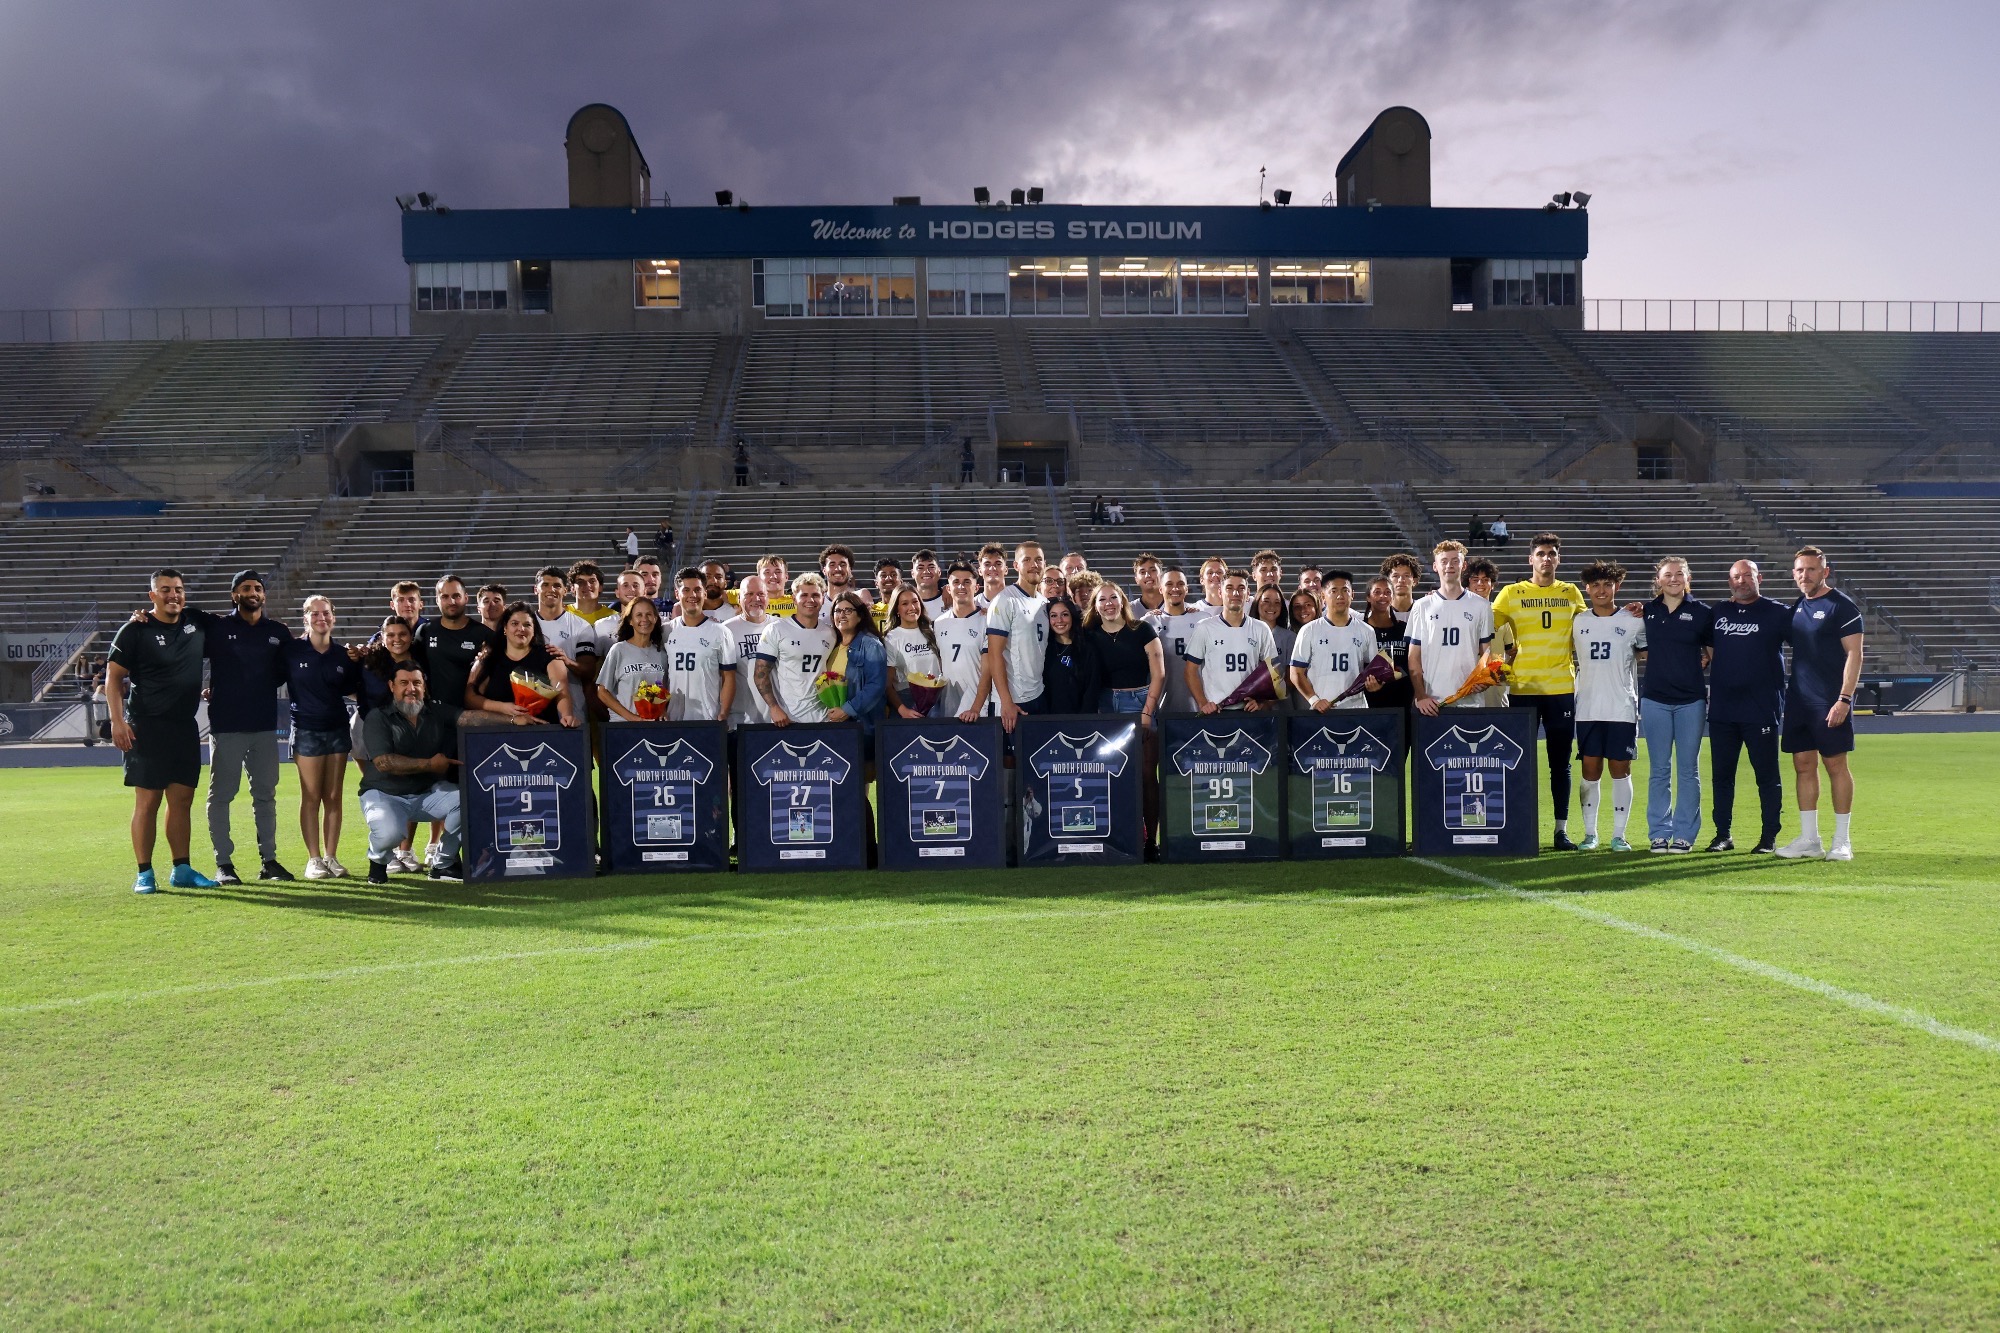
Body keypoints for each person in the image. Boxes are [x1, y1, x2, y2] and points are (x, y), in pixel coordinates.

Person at [106, 568, 217, 893]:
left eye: (178, 589)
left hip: (184, 726)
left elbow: (234, 632)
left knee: (182, 800)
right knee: (148, 801)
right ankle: (144, 873)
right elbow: (113, 680)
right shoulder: (134, 630)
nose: (174, 595)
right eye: (166, 590)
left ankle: (181, 869)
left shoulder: (196, 622)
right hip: (145, 726)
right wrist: (117, 721)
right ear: (153, 595)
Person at [197, 569, 293, 885]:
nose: (252, 592)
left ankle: (270, 861)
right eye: (245, 587)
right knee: (222, 795)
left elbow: (288, 670)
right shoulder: (218, 627)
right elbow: (181, 626)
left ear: (264, 595)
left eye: (257, 587)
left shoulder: (278, 632)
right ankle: (224, 864)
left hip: (265, 726)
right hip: (227, 727)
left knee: (265, 795)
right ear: (234, 594)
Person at [1491, 533, 1586, 850]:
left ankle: (1561, 831)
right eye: (1541, 553)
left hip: (1561, 689)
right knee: (1518, 762)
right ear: (1530, 559)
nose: (1547, 558)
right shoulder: (1510, 593)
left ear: (1558, 559)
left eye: (1552, 553)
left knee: (1560, 764)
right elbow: (1481, 626)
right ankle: (1518, 827)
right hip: (1523, 689)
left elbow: (1591, 626)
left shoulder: (1571, 593)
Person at [1776, 546, 1864, 861]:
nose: (1804, 575)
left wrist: (1844, 698)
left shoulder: (1841, 607)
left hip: (1830, 701)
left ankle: (1842, 841)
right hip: (1799, 701)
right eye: (1799, 570)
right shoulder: (1797, 607)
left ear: (1824, 572)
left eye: (1811, 570)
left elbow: (1855, 654)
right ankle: (1809, 840)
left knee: (1835, 765)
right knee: (1802, 765)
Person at [1706, 559, 1790, 854]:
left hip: (1761, 708)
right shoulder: (1718, 612)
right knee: (1722, 776)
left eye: (1747, 575)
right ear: (1729, 582)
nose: (1741, 581)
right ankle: (1722, 835)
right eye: (1735, 576)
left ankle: (1768, 837)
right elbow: (1706, 648)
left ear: (1759, 578)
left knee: (1767, 776)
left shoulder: (1777, 612)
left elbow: (1805, 645)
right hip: (1723, 711)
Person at [358, 662, 463, 884]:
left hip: (424, 795)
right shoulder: (378, 716)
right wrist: (430, 765)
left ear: (424, 686)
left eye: (417, 682)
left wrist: (513, 718)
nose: (411, 688)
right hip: (384, 793)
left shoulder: (434, 711)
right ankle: (378, 860)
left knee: (466, 800)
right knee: (390, 834)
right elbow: (384, 763)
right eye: (404, 683)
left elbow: (470, 718)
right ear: (391, 686)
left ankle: (443, 864)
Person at [285, 594, 362, 880]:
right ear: (305, 618)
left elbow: (356, 689)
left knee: (333, 796)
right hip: (306, 729)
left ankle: (331, 857)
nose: (321, 618)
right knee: (311, 796)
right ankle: (313, 859)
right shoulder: (292, 651)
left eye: (326, 613)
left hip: (337, 729)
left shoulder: (344, 655)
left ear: (334, 616)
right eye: (315, 614)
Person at [1640, 556, 1714, 853]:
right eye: (1667, 574)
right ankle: (1659, 832)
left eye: (1679, 574)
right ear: (1658, 580)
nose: (1673, 579)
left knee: (1688, 770)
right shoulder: (1643, 612)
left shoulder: (1702, 613)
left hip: (1690, 701)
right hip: (1654, 699)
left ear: (1688, 577)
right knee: (1659, 770)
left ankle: (1685, 834)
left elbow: (1712, 653)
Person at [1572, 561, 1646, 851]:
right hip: (1588, 707)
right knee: (1590, 770)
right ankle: (1590, 834)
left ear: (1618, 586)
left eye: (1608, 584)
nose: (1601, 590)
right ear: (1587, 589)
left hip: (1621, 707)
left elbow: (1646, 653)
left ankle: (1619, 834)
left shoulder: (1633, 620)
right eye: (1596, 585)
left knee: (1620, 769)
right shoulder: (1578, 621)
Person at [1409, 540, 1495, 716]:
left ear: (1464, 566)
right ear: (1435, 566)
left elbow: (1487, 654)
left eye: (1456, 561)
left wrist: (1485, 680)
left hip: (1470, 701)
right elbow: (1414, 658)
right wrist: (1421, 696)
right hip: (1432, 703)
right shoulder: (1422, 606)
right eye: (1444, 561)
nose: (1450, 565)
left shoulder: (1481, 605)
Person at [464, 601, 578, 728]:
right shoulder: (489, 658)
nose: (521, 629)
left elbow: (562, 691)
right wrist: (503, 708)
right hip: (496, 735)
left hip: (543, 733)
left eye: (527, 625)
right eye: (515, 624)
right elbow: (470, 698)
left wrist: (566, 715)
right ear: (505, 628)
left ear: (534, 630)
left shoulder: (550, 656)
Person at [1186, 568, 1279, 714]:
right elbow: (1190, 671)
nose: (1235, 593)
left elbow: (1273, 671)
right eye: (1229, 588)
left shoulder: (1261, 628)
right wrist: (1203, 703)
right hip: (1216, 711)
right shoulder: (1205, 627)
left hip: (1250, 711)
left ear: (1248, 594)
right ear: (1220, 593)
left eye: (1241, 589)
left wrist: (1262, 701)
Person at [1291, 571, 1385, 711]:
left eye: (1345, 590)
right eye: (1333, 590)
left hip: (1356, 709)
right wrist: (1314, 700)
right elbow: (1296, 673)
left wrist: (1377, 684)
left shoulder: (1367, 631)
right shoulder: (1309, 630)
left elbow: (1375, 674)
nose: (1340, 596)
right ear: (1323, 596)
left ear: (1352, 594)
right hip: (1321, 710)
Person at [755, 573, 837, 726]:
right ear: (793, 599)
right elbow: (760, 673)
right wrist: (774, 707)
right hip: (788, 718)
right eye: (804, 595)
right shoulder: (776, 629)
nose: (810, 600)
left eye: (815, 595)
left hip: (824, 717)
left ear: (823, 598)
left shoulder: (831, 633)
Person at [986, 540, 1051, 732]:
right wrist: (1006, 702)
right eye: (1027, 560)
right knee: (1009, 760)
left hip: (1038, 694)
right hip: (1013, 700)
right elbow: (994, 654)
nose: (1034, 565)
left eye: (1039, 560)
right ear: (1016, 566)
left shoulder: (1043, 602)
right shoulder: (1005, 600)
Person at [664, 566, 739, 721]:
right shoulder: (665, 631)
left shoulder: (721, 632)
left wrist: (723, 712)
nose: (693, 595)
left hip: (708, 718)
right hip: (671, 718)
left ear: (705, 593)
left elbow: (729, 677)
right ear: (677, 594)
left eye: (698, 590)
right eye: (686, 590)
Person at [1085, 583, 1163, 721]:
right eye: (1102, 599)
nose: (1108, 603)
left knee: (1144, 742)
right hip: (1103, 703)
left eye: (1113, 597)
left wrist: (1147, 712)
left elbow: (1159, 675)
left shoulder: (1143, 629)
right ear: (1095, 606)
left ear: (1122, 602)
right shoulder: (1090, 635)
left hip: (1139, 702)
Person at [824, 590, 888, 751]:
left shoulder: (870, 645)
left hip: (862, 726)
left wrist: (846, 710)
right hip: (836, 725)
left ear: (860, 616)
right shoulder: (832, 646)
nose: (842, 615)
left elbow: (876, 685)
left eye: (848, 610)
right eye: (838, 611)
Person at [532, 566, 596, 725]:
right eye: (545, 585)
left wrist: (567, 661)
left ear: (565, 591)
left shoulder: (581, 626)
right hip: (532, 703)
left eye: (557, 586)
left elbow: (589, 671)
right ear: (536, 589)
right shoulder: (526, 624)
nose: (551, 589)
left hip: (572, 706)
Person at [1145, 567, 1212, 716]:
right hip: (1162, 707)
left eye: (1180, 584)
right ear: (1161, 589)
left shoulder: (1203, 619)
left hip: (1201, 706)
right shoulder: (1148, 622)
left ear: (1186, 589)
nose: (1175, 588)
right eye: (1169, 584)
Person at [931, 562, 993, 721]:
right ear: (948, 588)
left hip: (979, 711)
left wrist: (976, 708)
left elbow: (988, 672)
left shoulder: (987, 622)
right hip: (947, 710)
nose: (961, 587)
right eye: (956, 582)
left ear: (976, 587)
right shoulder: (938, 623)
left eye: (967, 582)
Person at [595, 595, 667, 721]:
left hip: (653, 727)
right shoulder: (618, 650)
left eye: (649, 614)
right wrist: (633, 718)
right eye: (639, 615)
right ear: (630, 621)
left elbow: (663, 691)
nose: (644, 619)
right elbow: (602, 692)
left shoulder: (661, 654)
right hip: (623, 727)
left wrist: (662, 712)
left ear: (655, 619)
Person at [884, 586, 944, 718]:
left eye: (915, 601)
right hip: (906, 703)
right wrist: (902, 710)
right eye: (905, 604)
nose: (912, 607)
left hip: (935, 703)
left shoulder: (932, 631)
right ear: (897, 610)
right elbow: (887, 685)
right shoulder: (892, 638)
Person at [723, 576, 774, 727]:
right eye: (749, 594)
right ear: (739, 598)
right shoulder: (726, 630)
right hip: (739, 717)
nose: (756, 598)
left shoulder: (780, 627)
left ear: (768, 598)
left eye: (761, 594)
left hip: (776, 716)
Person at [1463, 557, 1512, 707]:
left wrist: (1501, 674)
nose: (1480, 584)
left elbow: (1513, 652)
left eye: (1485, 579)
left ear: (1492, 584)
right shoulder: (1458, 612)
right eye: (1475, 579)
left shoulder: (1501, 615)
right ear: (1467, 583)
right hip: (1466, 689)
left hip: (1495, 694)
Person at [1362, 574, 1413, 713]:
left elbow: (1411, 665)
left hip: (1402, 701)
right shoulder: (1360, 630)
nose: (1382, 596)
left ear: (1392, 597)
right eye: (1377, 592)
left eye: (1387, 592)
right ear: (1368, 597)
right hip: (1369, 702)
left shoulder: (1405, 629)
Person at [1040, 598, 1102, 712]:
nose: (1059, 620)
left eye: (1065, 614)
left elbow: (1091, 691)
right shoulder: (1042, 648)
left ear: (1072, 617)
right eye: (1053, 616)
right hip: (1046, 720)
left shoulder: (1087, 649)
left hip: (1078, 720)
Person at [1252, 585, 1295, 699]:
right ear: (1257, 603)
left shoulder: (1289, 637)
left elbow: (1291, 677)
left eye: (1277, 602)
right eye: (1266, 601)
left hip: (1280, 705)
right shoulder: (1245, 634)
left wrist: (1268, 702)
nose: (1272, 606)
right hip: (1248, 704)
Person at [909, 550, 945, 620]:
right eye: (920, 568)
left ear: (939, 572)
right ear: (912, 573)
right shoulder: (905, 603)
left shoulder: (952, 600)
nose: (926, 572)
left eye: (931, 567)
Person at [974, 543, 1010, 610]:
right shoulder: (972, 606)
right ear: (980, 571)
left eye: (998, 564)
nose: (992, 568)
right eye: (987, 564)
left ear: (1006, 570)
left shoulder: (1018, 603)